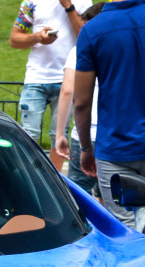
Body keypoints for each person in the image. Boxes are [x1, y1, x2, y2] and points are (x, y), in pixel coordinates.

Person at [73, 0, 145, 239]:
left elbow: (81, 101)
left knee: (121, 228)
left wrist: (85, 147)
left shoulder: (92, 30)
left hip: (114, 147)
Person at [9, 0, 90, 168]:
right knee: (28, 135)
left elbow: (86, 35)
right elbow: (14, 39)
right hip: (36, 77)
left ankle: (55, 183)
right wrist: (37, 37)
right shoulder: (31, 2)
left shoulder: (84, 2)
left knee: (59, 136)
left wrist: (68, 6)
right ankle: (28, 178)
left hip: (66, 77)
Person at [53, 2, 104, 195]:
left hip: (85, 135)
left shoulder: (79, 51)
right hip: (115, 135)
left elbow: (67, 91)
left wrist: (59, 133)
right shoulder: (120, 51)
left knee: (77, 195)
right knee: (113, 196)